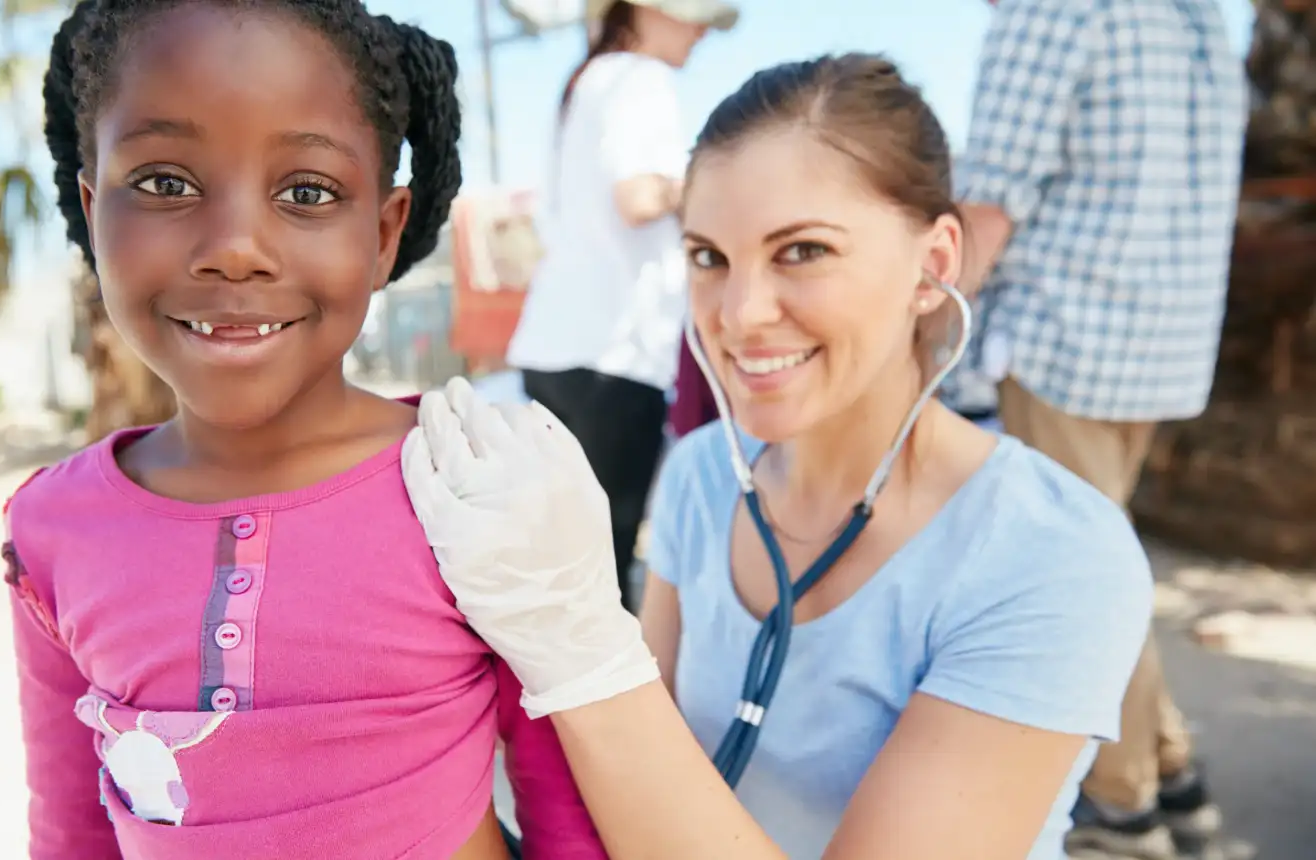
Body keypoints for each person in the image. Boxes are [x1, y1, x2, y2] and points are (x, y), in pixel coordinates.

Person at [404, 54, 1159, 860]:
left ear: (934, 265)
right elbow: (620, 776)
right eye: (708, 257)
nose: (740, 313)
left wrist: (578, 638)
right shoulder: (702, 474)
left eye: (801, 251)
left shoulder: (1052, 555)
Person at [3, 2, 606, 858]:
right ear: (93, 210)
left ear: (386, 232)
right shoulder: (50, 529)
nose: (237, 247)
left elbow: (565, 812)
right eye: (166, 183)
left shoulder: (471, 482)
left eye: (307, 192)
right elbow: (70, 828)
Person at [955, 2, 1248, 856]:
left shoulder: (1051, 9)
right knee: (1104, 554)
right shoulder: (1190, 14)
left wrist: (921, 328)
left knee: (1075, 582)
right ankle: (1174, 774)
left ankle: (1123, 806)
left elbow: (988, 203)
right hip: (1157, 346)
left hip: (1062, 342)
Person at [503, 0, 737, 609]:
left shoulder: (589, 80)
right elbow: (637, 196)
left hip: (554, 343)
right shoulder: (641, 78)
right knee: (603, 578)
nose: (704, 32)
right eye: (697, 16)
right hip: (614, 352)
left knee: (560, 565)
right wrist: (727, 181)